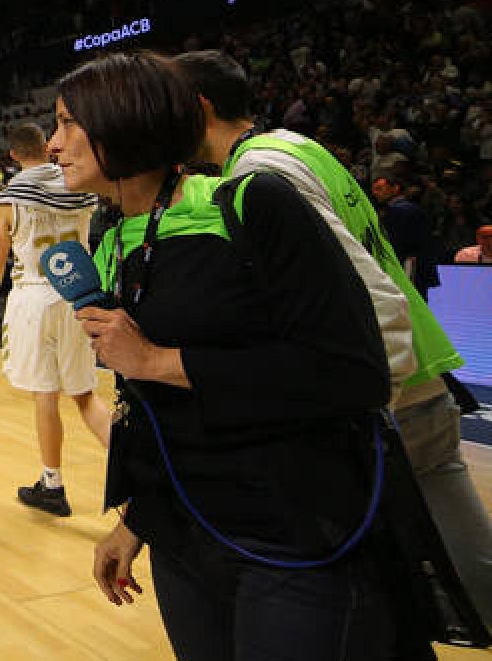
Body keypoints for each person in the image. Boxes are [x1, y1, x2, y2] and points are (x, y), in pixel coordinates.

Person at [51, 52, 408, 658]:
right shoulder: (112, 240)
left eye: (65, 123)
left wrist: (159, 360)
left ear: (121, 119)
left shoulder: (253, 205)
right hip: (184, 542)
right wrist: (138, 520)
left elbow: (353, 373)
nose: (54, 144)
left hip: (292, 541)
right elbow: (157, 413)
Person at [178, 48, 492, 625]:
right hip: (415, 362)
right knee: (463, 548)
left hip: (384, 376)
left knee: (390, 579)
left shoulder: (257, 173)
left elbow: (361, 288)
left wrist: (371, 394)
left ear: (197, 106)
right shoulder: (296, 144)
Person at [0, 123, 110, 518]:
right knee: (86, 395)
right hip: (79, 294)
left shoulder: (8, 197)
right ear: (46, 147)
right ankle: (139, 474)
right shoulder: (76, 183)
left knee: (45, 395)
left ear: (14, 155)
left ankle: (52, 485)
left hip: (34, 294)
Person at [373, 174, 437, 299]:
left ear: (395, 188)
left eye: (379, 188)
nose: (375, 193)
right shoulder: (405, 208)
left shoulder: (402, 210)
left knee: (409, 302)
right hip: (412, 265)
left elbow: (398, 243)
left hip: (410, 265)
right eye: (374, 189)